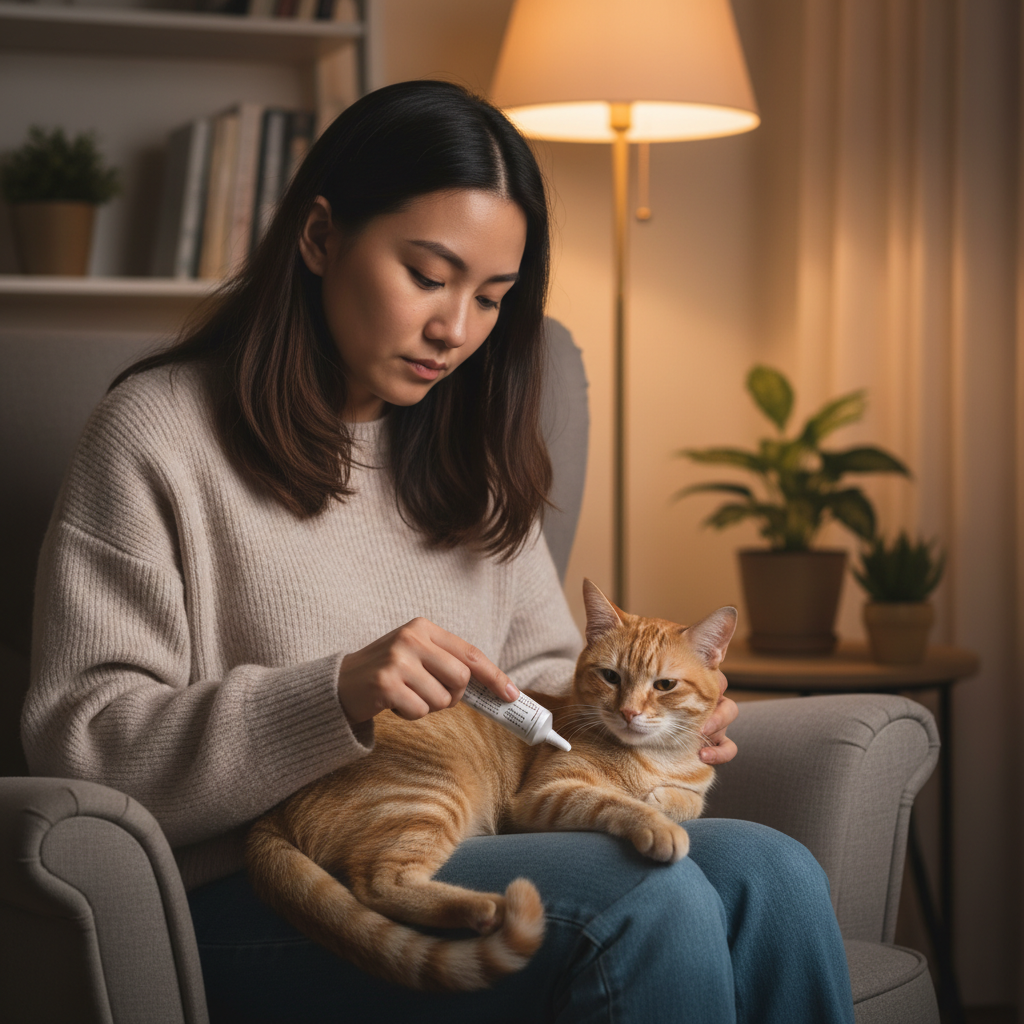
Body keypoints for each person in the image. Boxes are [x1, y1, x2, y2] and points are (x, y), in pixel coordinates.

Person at [22, 80, 854, 1023]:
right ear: (321, 236)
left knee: (776, 874)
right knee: (644, 901)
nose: (455, 332)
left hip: (480, 828)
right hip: (254, 887)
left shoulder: (471, 455)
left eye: (492, 298)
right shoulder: (156, 434)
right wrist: (334, 692)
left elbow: (540, 679)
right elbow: (80, 743)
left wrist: (656, 717)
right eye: (428, 276)